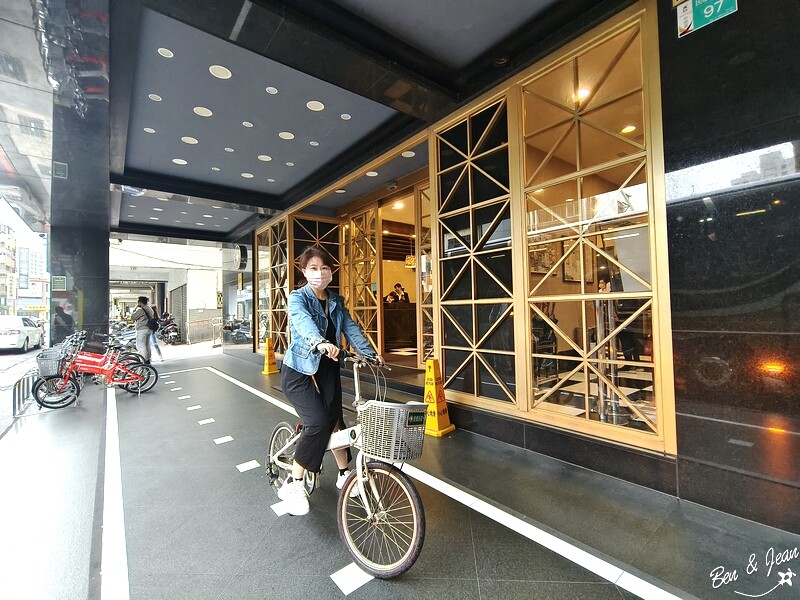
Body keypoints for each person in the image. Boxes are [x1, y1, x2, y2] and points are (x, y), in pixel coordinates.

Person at [279, 246, 383, 516]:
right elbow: (303, 323)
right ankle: (294, 483)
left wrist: (370, 354)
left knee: (336, 421)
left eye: (324, 268)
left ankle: (344, 473)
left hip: (328, 367)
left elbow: (351, 329)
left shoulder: (336, 301)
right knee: (317, 423)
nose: (319, 273)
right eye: (313, 268)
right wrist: (320, 342)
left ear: (331, 272)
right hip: (300, 370)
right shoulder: (297, 298)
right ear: (304, 271)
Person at [131, 296, 154, 364]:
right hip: (149, 328)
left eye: (137, 301)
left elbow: (133, 317)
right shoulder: (149, 308)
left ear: (140, 302)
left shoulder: (140, 310)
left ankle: (143, 361)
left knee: (140, 345)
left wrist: (135, 308)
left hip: (142, 329)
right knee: (147, 344)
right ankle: (148, 358)